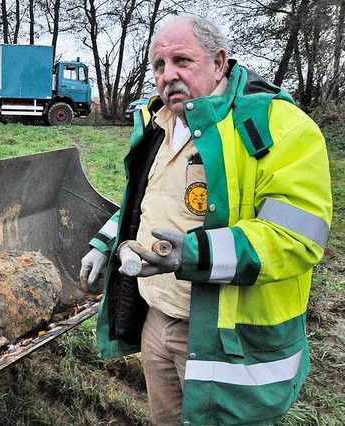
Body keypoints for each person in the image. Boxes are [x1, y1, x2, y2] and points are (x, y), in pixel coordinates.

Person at [79, 16, 332, 425]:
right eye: (159, 65)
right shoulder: (158, 121)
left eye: (182, 60)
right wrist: (105, 243)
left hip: (225, 337)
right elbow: (144, 201)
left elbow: (297, 237)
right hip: (157, 318)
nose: (169, 75)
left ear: (219, 62)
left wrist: (193, 253)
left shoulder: (275, 125)